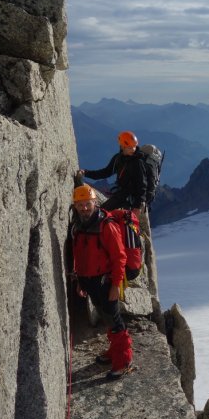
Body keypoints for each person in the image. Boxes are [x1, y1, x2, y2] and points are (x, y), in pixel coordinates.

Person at [71, 184, 134, 380]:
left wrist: (116, 285)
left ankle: (123, 362)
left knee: (114, 321)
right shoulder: (80, 225)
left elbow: (120, 257)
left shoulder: (107, 225)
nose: (84, 208)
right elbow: (81, 256)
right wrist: (81, 281)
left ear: (95, 203)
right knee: (106, 317)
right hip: (90, 281)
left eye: (87, 204)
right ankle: (114, 351)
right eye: (80, 205)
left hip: (106, 282)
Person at [77, 130, 152, 215]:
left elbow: (142, 185)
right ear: (122, 146)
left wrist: (137, 206)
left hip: (131, 198)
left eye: (134, 146)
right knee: (101, 213)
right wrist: (86, 173)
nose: (133, 149)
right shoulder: (118, 159)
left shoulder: (138, 162)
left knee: (101, 213)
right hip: (122, 194)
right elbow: (105, 172)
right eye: (130, 147)